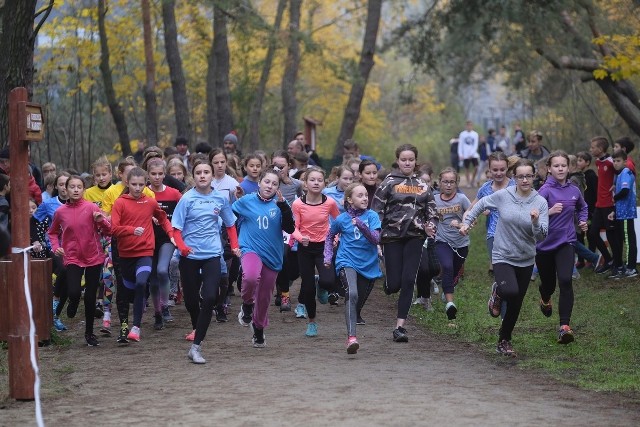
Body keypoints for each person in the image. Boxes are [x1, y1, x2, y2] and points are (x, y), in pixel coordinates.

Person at [460, 159, 548, 357]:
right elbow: (481, 203)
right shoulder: (503, 195)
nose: (525, 180)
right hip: (502, 254)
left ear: (534, 177)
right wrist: (467, 223)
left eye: (528, 176)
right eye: (520, 176)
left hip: (525, 258)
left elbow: (542, 235)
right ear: (514, 178)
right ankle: (498, 290)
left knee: (516, 303)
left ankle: (504, 339)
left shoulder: (540, 202)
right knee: (509, 290)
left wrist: (534, 222)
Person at [171, 159, 239, 364]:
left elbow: (230, 224)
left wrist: (235, 245)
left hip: (212, 254)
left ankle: (196, 347)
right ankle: (197, 324)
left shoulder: (220, 198)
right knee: (192, 301)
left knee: (210, 297)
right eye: (198, 172)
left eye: (206, 172)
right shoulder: (187, 199)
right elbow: (176, 228)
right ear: (194, 175)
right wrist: (182, 247)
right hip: (189, 256)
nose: (202, 175)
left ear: (212, 176)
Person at [372, 144, 438, 343]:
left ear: (415, 161)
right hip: (392, 237)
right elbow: (376, 212)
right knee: (394, 284)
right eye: (403, 159)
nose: (407, 162)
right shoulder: (388, 183)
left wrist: (430, 226)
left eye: (411, 159)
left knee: (409, 280)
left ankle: (400, 327)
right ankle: (389, 282)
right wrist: (377, 236)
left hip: (415, 237)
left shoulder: (423, 185)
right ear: (398, 161)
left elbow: (432, 212)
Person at [233, 168, 295, 347]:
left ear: (278, 188)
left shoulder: (281, 204)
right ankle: (246, 305)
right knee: (251, 276)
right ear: (259, 182)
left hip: (273, 255)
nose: (270, 186)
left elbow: (290, 229)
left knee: (264, 297)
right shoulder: (246, 201)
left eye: (274, 184)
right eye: (267, 182)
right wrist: (232, 242)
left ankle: (258, 329)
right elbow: (229, 218)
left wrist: (283, 207)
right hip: (250, 249)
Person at [111, 167, 173, 344]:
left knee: (140, 283)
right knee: (129, 289)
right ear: (127, 184)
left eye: (140, 184)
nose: (137, 188)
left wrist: (170, 234)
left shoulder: (150, 202)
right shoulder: (120, 203)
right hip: (125, 255)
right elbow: (114, 229)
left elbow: (163, 219)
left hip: (145, 252)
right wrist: (131, 230)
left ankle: (136, 328)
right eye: (134, 184)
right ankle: (129, 318)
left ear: (145, 184)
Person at [47, 175, 112, 346]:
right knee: (74, 291)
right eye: (72, 187)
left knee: (90, 297)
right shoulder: (60, 212)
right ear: (65, 190)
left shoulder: (91, 208)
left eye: (79, 187)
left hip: (93, 256)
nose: (75, 190)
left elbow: (108, 231)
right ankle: (73, 303)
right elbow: (52, 232)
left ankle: (89, 333)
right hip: (72, 257)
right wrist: (56, 248)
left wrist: (102, 221)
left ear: (84, 189)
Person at [535, 151, 588, 344]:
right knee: (549, 284)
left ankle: (564, 326)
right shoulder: (544, 191)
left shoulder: (574, 190)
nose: (560, 168)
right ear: (549, 168)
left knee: (565, 280)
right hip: (544, 245)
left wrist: (582, 221)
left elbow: (583, 207)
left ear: (568, 168)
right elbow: (531, 214)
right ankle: (545, 296)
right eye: (556, 165)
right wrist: (548, 211)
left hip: (566, 242)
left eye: (563, 165)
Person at [324, 183, 381, 354]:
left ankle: (352, 319)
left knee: (357, 302)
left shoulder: (372, 216)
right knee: (352, 293)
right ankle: (351, 339)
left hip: (368, 264)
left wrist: (362, 226)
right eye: (360, 195)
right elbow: (329, 236)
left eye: (366, 195)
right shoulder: (341, 219)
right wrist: (328, 256)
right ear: (349, 199)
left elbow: (376, 239)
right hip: (346, 260)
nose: (365, 198)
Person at [291, 167, 340, 336]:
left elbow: (338, 223)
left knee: (329, 280)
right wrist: (299, 237)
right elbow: (293, 228)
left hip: (324, 246)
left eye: (320, 180)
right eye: (312, 180)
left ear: (324, 183)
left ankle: (322, 285)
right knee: (308, 288)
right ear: (305, 183)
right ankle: (312, 322)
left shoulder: (330, 203)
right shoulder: (298, 204)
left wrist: (335, 239)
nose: (316, 183)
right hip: (305, 248)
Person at [146, 158, 182, 329]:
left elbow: (185, 210)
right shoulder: (143, 193)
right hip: (147, 240)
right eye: (153, 174)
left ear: (165, 174)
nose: (157, 177)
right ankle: (158, 312)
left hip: (167, 238)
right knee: (152, 280)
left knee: (162, 270)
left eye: (160, 174)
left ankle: (165, 305)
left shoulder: (174, 194)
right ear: (148, 174)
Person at [468, 152, 516, 277]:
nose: (499, 173)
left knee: (514, 272)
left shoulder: (516, 186)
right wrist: (467, 221)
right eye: (495, 170)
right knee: (500, 272)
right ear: (489, 169)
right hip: (493, 235)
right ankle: (499, 294)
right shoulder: (485, 188)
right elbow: (472, 208)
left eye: (502, 169)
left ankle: (505, 293)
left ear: (507, 168)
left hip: (514, 234)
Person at [433, 167, 471, 321]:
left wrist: (461, 224)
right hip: (442, 240)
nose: (448, 185)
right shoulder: (434, 199)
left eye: (451, 182)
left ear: (456, 183)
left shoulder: (462, 199)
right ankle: (450, 304)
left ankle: (448, 286)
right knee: (447, 267)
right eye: (445, 182)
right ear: (439, 183)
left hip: (461, 242)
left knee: (455, 271)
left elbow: (472, 218)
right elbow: (429, 217)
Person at [270, 150, 303, 311]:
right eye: (274, 166)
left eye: (281, 166)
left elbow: (304, 199)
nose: (278, 169)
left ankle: (285, 295)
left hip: (287, 228)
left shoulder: (296, 184)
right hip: (269, 227)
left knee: (282, 256)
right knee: (274, 260)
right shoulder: (267, 183)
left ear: (289, 166)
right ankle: (279, 291)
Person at [588, 136, 621, 275]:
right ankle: (608, 259)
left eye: (593, 147)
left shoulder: (611, 161)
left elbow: (623, 171)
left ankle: (618, 265)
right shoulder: (598, 162)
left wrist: (616, 184)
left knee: (612, 235)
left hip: (609, 204)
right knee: (592, 233)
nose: (590, 149)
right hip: (599, 205)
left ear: (600, 149)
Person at [609, 149, 638, 277]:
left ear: (625, 162)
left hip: (626, 213)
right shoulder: (620, 174)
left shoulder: (626, 172)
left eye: (618, 161)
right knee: (627, 239)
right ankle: (629, 267)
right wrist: (614, 211)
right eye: (614, 161)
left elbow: (625, 191)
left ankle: (631, 268)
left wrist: (614, 198)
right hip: (621, 212)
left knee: (628, 240)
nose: (615, 163)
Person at [457, 120, 480, 187]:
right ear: (466, 126)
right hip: (465, 154)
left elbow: (476, 144)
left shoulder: (475, 134)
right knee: (467, 168)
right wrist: (460, 154)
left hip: (473, 154)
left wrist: (472, 154)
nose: (469, 127)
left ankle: (472, 180)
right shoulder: (462, 134)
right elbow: (460, 145)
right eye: (468, 125)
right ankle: (468, 182)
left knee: (476, 167)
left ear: (472, 126)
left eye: (470, 125)